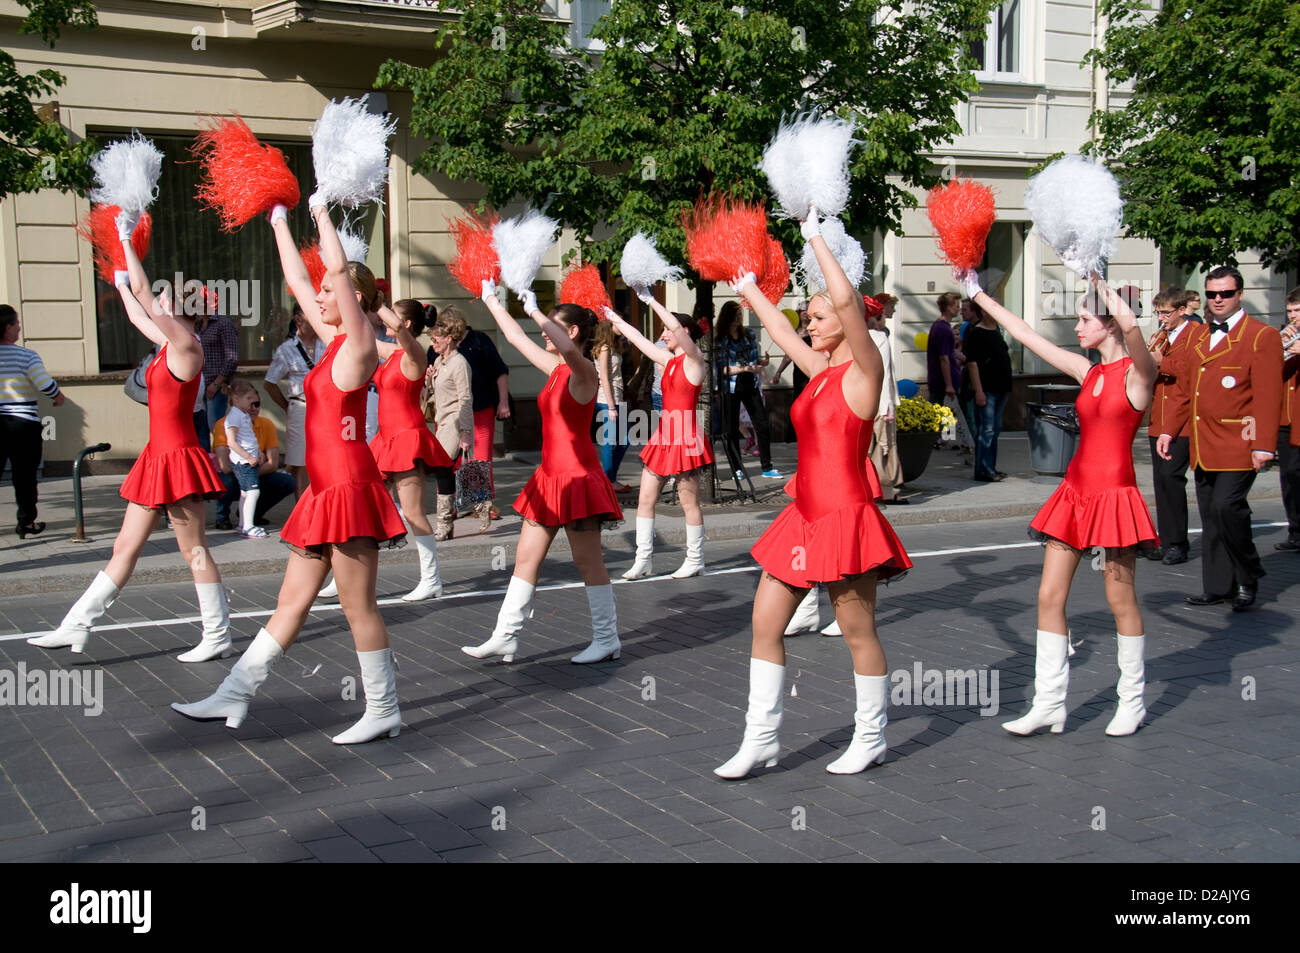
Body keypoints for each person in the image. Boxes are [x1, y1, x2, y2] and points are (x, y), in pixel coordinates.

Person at [172, 200, 408, 744]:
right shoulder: (329, 349)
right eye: (319, 292)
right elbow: (298, 277)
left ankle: (384, 708)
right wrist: (278, 219)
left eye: (330, 291)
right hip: (323, 494)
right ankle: (232, 694)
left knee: (357, 606)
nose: (316, 297)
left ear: (352, 299)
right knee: (290, 602)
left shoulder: (360, 349)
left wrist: (325, 219)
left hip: (349, 491)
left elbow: (335, 284)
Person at [716, 206, 912, 779]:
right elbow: (778, 330)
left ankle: (871, 736)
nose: (809, 323)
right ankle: (761, 739)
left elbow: (848, 303)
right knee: (763, 624)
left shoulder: (864, 370)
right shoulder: (819, 368)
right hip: (802, 518)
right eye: (810, 315)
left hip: (847, 518)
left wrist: (815, 236)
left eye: (818, 315)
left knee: (857, 632)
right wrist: (749, 287)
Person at [960, 269, 1159, 737]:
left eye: (1085, 318)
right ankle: (1049, 703)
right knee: (1048, 596)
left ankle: (1132, 701)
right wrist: (978, 294)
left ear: (1108, 323)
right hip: (1074, 494)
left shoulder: (1138, 375)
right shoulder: (1085, 371)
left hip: (1115, 497)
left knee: (1119, 598)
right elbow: (1023, 333)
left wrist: (1098, 278)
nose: (1076, 327)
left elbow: (1133, 329)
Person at [29, 217, 230, 663]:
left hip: (178, 459)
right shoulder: (168, 344)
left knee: (193, 549)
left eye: (167, 296)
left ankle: (217, 633)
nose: (159, 295)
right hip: (158, 458)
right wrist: (121, 284)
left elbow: (146, 298)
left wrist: (124, 240)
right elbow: (139, 308)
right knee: (124, 547)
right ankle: (76, 625)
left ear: (182, 309)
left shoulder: (188, 347)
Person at [461, 282, 623, 665]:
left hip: (579, 479)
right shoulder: (553, 369)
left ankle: (607, 638)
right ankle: (506, 635)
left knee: (589, 562)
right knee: (525, 559)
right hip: (549, 478)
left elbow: (568, 349)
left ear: (572, 332)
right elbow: (516, 339)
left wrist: (537, 311)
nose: (542, 330)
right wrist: (491, 299)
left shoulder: (583, 373)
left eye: (552, 325)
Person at [1156, 266, 1282, 611]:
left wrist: (1263, 444)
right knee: (1211, 514)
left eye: (1225, 293)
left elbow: (1269, 397)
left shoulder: (1261, 336)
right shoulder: (1198, 336)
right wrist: (1169, 429)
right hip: (1203, 439)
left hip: (1240, 439)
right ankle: (1218, 585)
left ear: (1239, 294)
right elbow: (1184, 389)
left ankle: (1248, 575)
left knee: (1229, 507)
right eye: (1212, 294)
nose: (1218, 300)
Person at [606, 296, 713, 580]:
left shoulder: (694, 361)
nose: (662, 334)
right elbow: (640, 340)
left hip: (686, 436)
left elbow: (674, 328)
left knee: (688, 502)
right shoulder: (669, 360)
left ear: (684, 333)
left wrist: (652, 300)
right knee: (645, 499)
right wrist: (616, 320)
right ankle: (643, 560)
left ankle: (696, 559)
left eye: (666, 330)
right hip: (664, 436)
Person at [0, 305, 64, 537]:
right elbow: (45, 384)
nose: (19, 327)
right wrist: (58, 397)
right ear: (8, 328)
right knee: (25, 476)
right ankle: (26, 522)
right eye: (16, 323)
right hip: (22, 425)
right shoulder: (26, 355)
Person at [1144, 287, 1195, 565]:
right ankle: (1165, 539)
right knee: (1161, 482)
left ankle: (1178, 543)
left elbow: (1190, 372)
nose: (1162, 318)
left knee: (1172, 480)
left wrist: (1161, 362)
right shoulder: (1160, 336)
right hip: (1157, 419)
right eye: (1159, 313)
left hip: (1181, 420)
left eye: (1166, 313)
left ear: (1181, 310)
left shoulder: (1196, 335)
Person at [445, 309, 511, 519]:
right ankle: (451, 504)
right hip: (451, 414)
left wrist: (503, 402)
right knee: (452, 459)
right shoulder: (441, 346)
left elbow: (500, 371)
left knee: (480, 458)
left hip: (481, 408)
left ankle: (482, 505)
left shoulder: (479, 340)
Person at [425, 305, 483, 537]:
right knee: (444, 472)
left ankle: (444, 524)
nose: (432, 343)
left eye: (436, 339)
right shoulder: (440, 362)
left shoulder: (459, 363)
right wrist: (430, 379)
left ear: (449, 339)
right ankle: (450, 521)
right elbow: (432, 394)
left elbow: (466, 398)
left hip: (454, 424)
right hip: (442, 423)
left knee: (442, 470)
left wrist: (466, 432)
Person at [263, 304, 325, 498]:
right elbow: (269, 383)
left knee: (325, 458)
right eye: (311, 314)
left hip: (325, 408)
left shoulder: (327, 342)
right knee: (300, 463)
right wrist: (287, 406)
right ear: (298, 319)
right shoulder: (286, 349)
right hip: (300, 407)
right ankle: (304, 514)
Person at [211, 394, 295, 531]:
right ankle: (222, 516)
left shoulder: (266, 424)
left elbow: (273, 464)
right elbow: (225, 466)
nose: (253, 408)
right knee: (228, 482)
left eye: (257, 404)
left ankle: (251, 515)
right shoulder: (225, 423)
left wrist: (252, 475)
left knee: (287, 482)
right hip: (236, 471)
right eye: (250, 403)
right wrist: (248, 474)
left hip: (253, 469)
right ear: (237, 401)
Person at [716, 301, 778, 479]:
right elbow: (722, 369)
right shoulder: (721, 339)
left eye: (740, 315)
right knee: (731, 429)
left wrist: (762, 365)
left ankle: (767, 467)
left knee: (763, 424)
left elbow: (755, 363)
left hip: (749, 383)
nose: (738, 318)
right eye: (735, 315)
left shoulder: (749, 335)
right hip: (731, 386)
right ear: (727, 317)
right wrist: (745, 368)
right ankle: (737, 468)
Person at [962, 299, 1013, 482]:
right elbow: (972, 364)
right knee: (987, 429)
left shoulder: (996, 330)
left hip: (1001, 388)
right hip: (987, 389)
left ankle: (991, 466)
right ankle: (984, 470)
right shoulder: (976, 332)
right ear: (984, 312)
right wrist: (979, 391)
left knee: (995, 429)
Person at [866, 297, 905, 503]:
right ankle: (887, 490)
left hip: (864, 401)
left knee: (869, 448)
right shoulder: (880, 337)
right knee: (885, 447)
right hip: (881, 402)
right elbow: (884, 373)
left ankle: (873, 488)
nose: (892, 313)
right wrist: (888, 405)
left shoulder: (859, 338)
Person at [222, 380, 270, 538]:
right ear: (236, 399)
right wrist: (249, 457)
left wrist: (258, 452)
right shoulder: (234, 417)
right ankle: (248, 526)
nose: (252, 402)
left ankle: (243, 523)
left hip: (248, 460)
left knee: (245, 492)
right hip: (244, 462)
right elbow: (232, 442)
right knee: (253, 492)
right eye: (248, 398)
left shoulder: (242, 415)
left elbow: (248, 437)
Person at [591, 318, 632, 492]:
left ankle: (611, 478)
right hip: (607, 399)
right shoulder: (604, 348)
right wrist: (611, 406)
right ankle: (608, 481)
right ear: (609, 326)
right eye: (618, 323)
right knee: (611, 441)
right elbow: (604, 378)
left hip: (617, 396)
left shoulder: (613, 346)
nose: (621, 325)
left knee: (624, 440)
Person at [1275, 288, 1300, 552]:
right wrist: (1280, 349)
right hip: (1285, 417)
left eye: (1298, 311)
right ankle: (1295, 530)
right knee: (1289, 475)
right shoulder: (1281, 336)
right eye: (1290, 311)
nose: (1293, 317)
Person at [195, 300, 239, 449]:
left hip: (217, 386)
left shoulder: (223, 324)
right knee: (202, 429)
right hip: (200, 384)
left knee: (217, 427)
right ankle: (207, 465)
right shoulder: (198, 324)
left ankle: (224, 465)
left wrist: (216, 383)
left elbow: (232, 358)